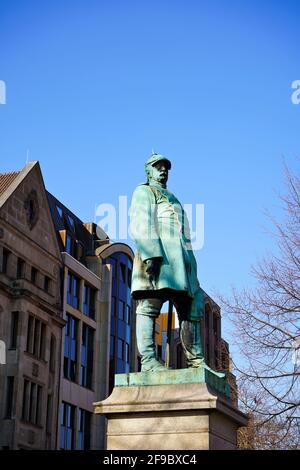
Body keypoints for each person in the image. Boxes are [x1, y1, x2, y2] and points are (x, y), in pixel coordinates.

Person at [130, 152, 204, 372]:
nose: (163, 170)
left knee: (190, 307)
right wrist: (151, 254)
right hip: (159, 258)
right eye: (157, 166)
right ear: (148, 170)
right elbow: (141, 222)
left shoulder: (173, 197)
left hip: (181, 262)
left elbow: (185, 236)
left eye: (165, 167)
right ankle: (149, 361)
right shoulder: (144, 191)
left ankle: (196, 361)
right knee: (150, 305)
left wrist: (192, 269)